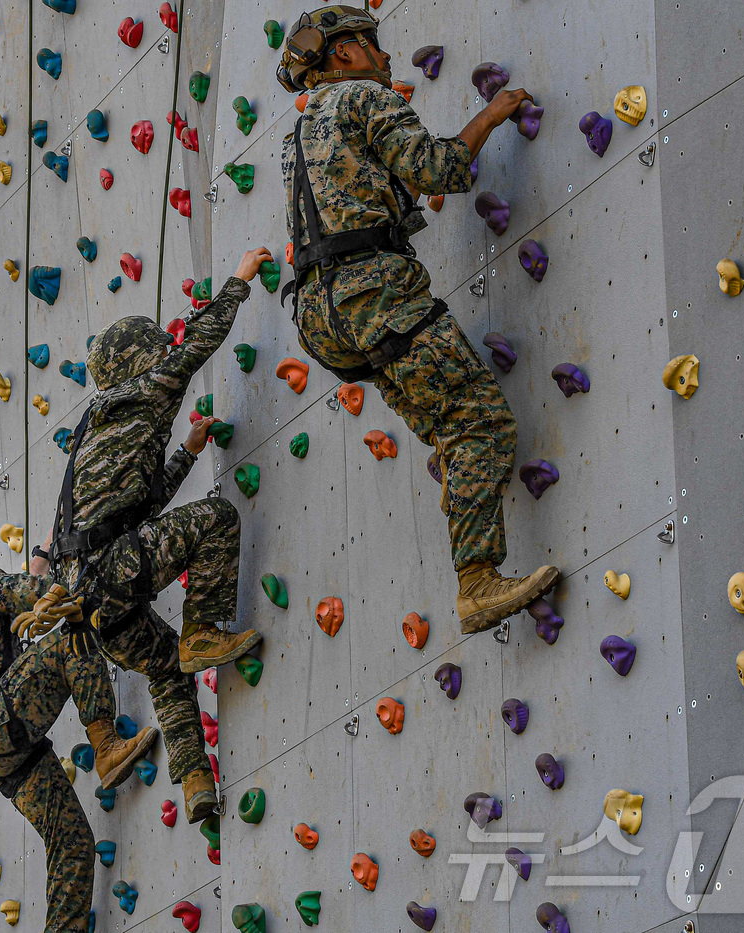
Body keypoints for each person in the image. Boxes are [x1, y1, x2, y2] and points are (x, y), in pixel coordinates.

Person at [276, 6, 560, 633]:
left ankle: (470, 532)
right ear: (344, 54)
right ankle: (478, 579)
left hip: (322, 319)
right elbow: (441, 169)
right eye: (372, 45)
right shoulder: (361, 98)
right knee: (479, 421)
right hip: (375, 296)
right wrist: (492, 113)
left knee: (448, 424)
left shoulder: (298, 134)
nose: (385, 59)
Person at [45, 247, 273, 821]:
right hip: (113, 569)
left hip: (88, 602)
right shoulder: (145, 389)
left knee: (166, 668)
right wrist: (239, 279)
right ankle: (202, 631)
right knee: (217, 520)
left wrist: (188, 453)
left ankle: (196, 781)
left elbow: (138, 506)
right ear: (140, 359)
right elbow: (199, 343)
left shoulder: (96, 428)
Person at [0, 499, 156, 933]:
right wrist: (74, 574)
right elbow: (26, 596)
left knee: (71, 842)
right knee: (69, 643)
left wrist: (40, 561)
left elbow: (14, 610)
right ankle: (107, 749)